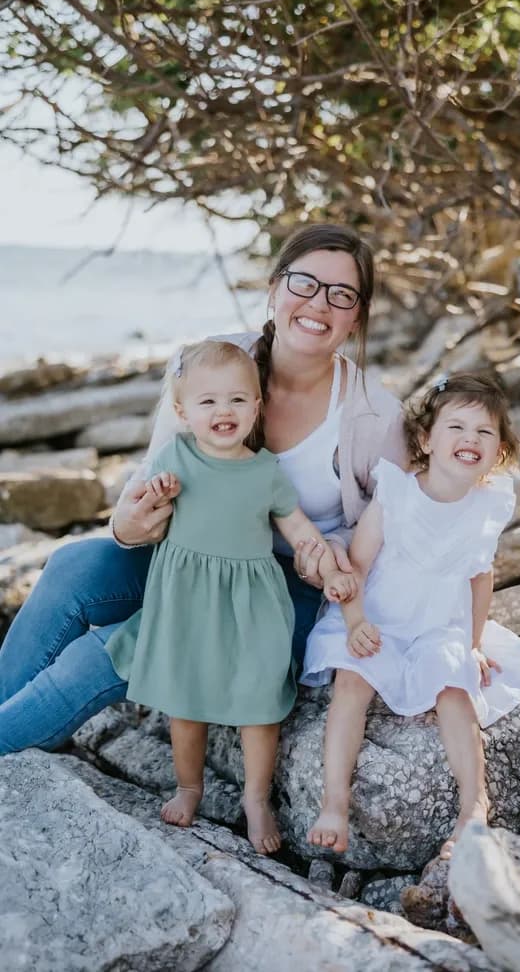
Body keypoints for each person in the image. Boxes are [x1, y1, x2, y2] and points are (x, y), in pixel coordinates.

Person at [0, 224, 407, 849]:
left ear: (358, 317)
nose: (319, 303)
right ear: (274, 290)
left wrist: (336, 574)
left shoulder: (375, 414)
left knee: (107, 651)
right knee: (74, 567)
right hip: (188, 559)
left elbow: (390, 530)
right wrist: (127, 525)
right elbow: (149, 480)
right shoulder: (210, 363)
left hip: (281, 591)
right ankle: (14, 716)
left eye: (342, 294)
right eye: (305, 282)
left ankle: (15, 734)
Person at [105, 339, 355, 841]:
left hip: (251, 605)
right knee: (186, 700)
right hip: (187, 604)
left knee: (260, 701)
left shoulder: (265, 472)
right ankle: (189, 787)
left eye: (238, 399)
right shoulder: (175, 458)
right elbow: (144, 514)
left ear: (257, 406)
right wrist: (159, 496)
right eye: (208, 401)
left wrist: (328, 567)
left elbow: (300, 530)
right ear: (182, 411)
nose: (224, 411)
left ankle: (256, 797)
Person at [301, 373, 520, 860]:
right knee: (352, 682)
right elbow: (359, 567)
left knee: (455, 686)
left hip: (437, 625)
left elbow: (481, 577)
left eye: (484, 432)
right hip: (379, 617)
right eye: (456, 427)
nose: (469, 440)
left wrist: (473, 644)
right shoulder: (397, 492)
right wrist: (354, 622)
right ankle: (335, 802)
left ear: (498, 452)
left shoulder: (488, 505)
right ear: (425, 440)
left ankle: (473, 805)